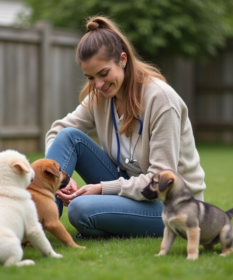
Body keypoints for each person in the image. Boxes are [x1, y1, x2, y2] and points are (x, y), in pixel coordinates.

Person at [44, 16, 206, 238]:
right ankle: (36, 222)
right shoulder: (99, 97)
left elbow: (161, 180)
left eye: (103, 74)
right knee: (67, 136)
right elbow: (56, 133)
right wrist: (60, 176)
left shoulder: (161, 100)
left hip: (172, 203)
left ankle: (100, 221)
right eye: (90, 78)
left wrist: (101, 189)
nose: (98, 85)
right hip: (128, 187)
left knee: (80, 208)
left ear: (122, 59)